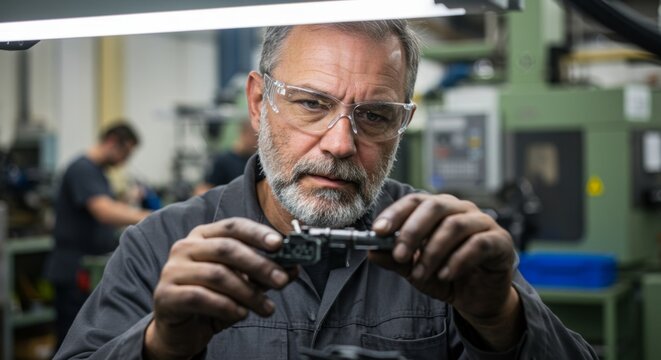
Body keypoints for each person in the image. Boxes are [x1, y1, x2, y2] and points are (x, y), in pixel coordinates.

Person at [54, 22, 597, 359]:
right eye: (312, 103)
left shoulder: (444, 246)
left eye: (376, 114)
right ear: (257, 102)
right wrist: (160, 347)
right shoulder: (159, 244)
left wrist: (500, 318)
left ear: (402, 123)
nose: (340, 143)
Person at [46, 122, 151, 346]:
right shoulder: (82, 169)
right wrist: (154, 216)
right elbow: (104, 212)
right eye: (126, 153)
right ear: (112, 142)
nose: (125, 161)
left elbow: (102, 209)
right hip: (74, 270)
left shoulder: (97, 172)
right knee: (71, 342)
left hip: (85, 268)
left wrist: (127, 202)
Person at [194, 119, 257, 195]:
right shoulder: (223, 160)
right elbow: (204, 190)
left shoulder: (256, 162)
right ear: (244, 133)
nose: (257, 142)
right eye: (254, 137)